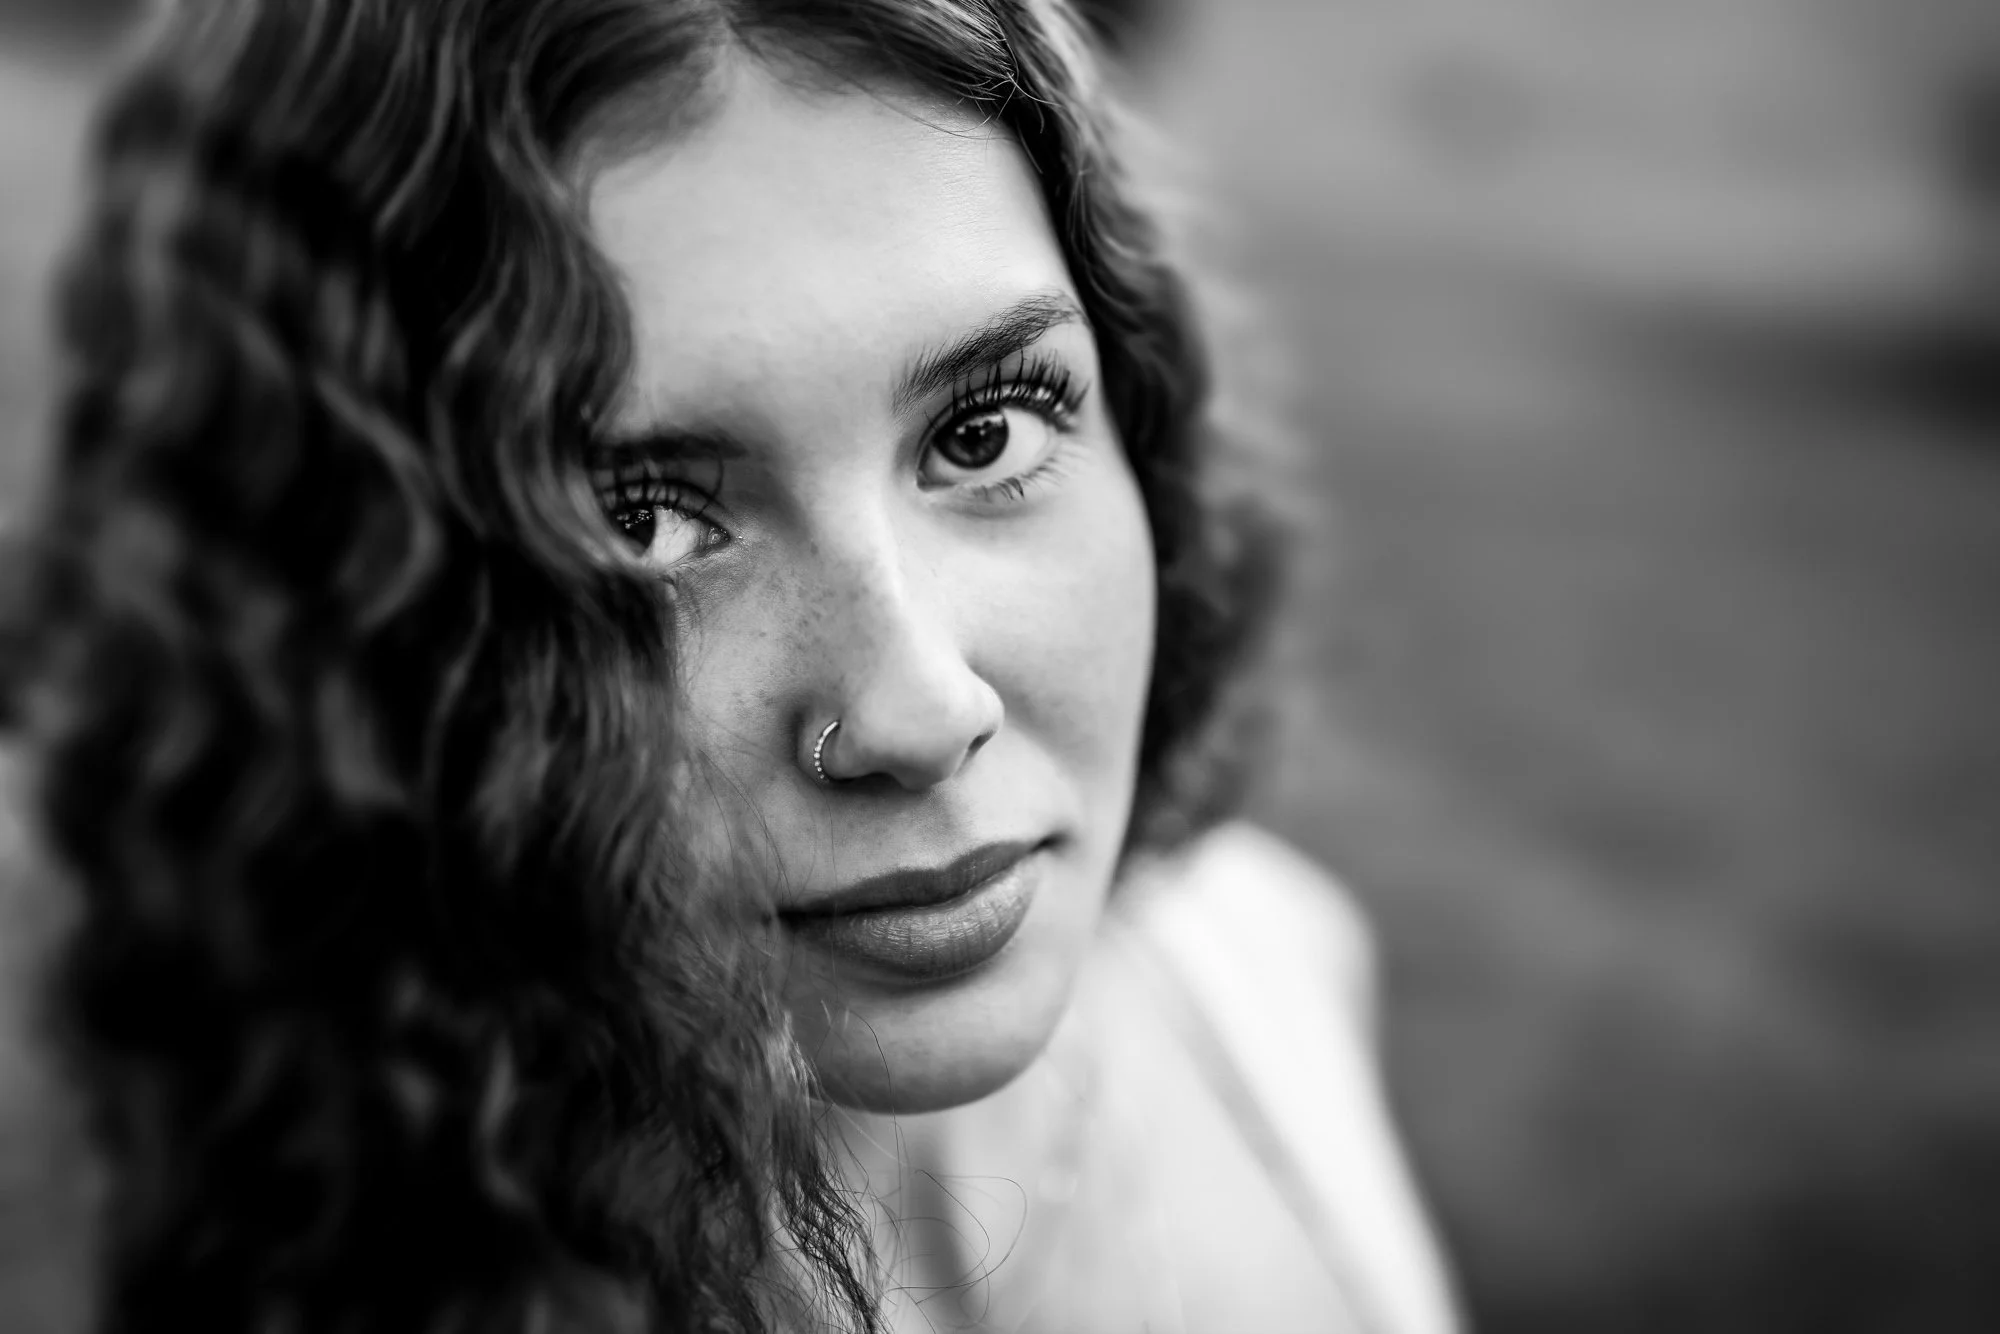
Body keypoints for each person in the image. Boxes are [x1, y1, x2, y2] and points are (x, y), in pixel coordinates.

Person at [7, 0, 1459, 1330]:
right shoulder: (196, 1255)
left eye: (986, 431)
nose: (919, 707)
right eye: (638, 517)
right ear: (325, 610)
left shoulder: (1261, 970)